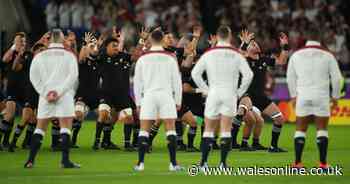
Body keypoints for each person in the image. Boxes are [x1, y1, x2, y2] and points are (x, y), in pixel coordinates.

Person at [191, 25, 253, 168]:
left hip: (213, 93)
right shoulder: (236, 54)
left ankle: (204, 163)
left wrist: (205, 89)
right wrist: (238, 92)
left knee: (208, 129)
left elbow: (195, 73)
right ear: (230, 37)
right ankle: (223, 164)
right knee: (226, 129)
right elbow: (249, 75)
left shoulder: (209, 53)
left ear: (217, 37)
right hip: (230, 94)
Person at [287, 25, 343, 169]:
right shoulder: (328, 55)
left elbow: (290, 78)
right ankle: (323, 164)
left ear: (307, 38)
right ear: (320, 38)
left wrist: (293, 96)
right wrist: (335, 97)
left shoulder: (296, 54)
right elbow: (337, 79)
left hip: (303, 96)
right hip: (321, 96)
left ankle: (297, 163)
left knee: (300, 129)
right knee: (322, 129)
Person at [24, 29, 80, 168]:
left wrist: (45, 93)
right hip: (64, 95)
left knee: (40, 128)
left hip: (45, 97)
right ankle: (65, 161)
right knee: (66, 128)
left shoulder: (40, 56)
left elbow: (33, 77)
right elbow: (73, 76)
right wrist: (59, 92)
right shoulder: (69, 55)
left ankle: (30, 160)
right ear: (61, 39)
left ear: (49, 40)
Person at [133, 30, 183, 171]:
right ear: (162, 41)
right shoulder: (170, 58)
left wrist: (138, 103)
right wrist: (178, 100)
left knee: (144, 130)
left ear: (150, 40)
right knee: (170, 129)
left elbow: (137, 82)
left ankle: (140, 164)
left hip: (149, 96)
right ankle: (173, 164)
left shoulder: (143, 58)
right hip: (166, 96)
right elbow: (177, 81)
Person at [8, 42, 46, 152]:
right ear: (35, 52)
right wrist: (19, 55)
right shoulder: (28, 60)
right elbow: (15, 67)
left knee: (34, 120)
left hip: (40, 93)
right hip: (29, 92)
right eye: (40, 51)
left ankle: (26, 142)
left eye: (44, 51)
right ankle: (13, 142)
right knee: (25, 118)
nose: (43, 53)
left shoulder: (45, 64)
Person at [0, 32, 28, 149]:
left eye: (23, 41)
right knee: (9, 114)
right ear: (14, 42)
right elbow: (5, 59)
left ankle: (23, 141)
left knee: (30, 117)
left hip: (25, 89)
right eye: (18, 41)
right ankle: (5, 140)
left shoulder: (27, 54)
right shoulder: (11, 53)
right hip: (12, 87)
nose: (21, 43)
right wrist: (13, 48)